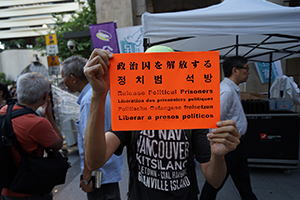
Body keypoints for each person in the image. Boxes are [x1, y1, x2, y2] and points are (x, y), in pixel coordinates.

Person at [83, 47, 241, 200]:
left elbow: (215, 180)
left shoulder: (192, 115)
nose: (159, 81)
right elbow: (95, 160)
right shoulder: (132, 115)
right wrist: (98, 94)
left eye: (167, 74)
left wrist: (218, 156)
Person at [61, 55, 123, 200]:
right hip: (107, 172)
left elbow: (90, 141)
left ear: (73, 77)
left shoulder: (91, 99)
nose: (63, 82)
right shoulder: (98, 93)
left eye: (64, 77)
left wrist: (86, 177)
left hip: (100, 176)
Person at [200, 56, 258, 200]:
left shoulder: (232, 89)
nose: (248, 72)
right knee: (214, 183)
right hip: (227, 146)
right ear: (235, 70)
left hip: (236, 144)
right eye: (246, 68)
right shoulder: (226, 91)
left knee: (243, 181)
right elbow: (215, 120)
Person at [0, 72, 63, 200]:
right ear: (46, 96)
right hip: (28, 189)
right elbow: (58, 144)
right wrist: (49, 116)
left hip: (5, 186)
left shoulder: (3, 111)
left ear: (17, 92)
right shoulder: (38, 123)